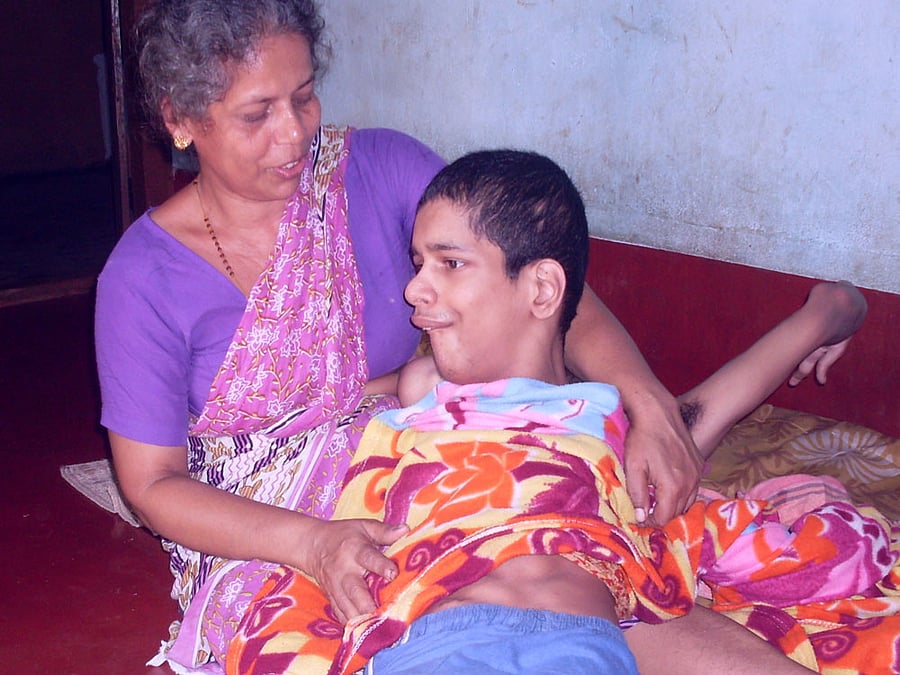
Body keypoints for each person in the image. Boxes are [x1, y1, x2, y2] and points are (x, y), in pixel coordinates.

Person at [94, 1, 710, 672]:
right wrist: (312, 544)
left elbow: (548, 282)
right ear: (180, 121)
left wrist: (648, 403)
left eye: (304, 97)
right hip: (264, 525)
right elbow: (152, 484)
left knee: (569, 558)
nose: (295, 134)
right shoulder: (143, 275)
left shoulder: (376, 169)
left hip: (414, 454)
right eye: (256, 114)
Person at [225, 150, 895, 675]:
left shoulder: (607, 422)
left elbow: (702, 415)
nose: (413, 289)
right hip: (434, 640)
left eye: (449, 263)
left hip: (577, 645)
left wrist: (828, 312)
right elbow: (318, 409)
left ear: (542, 287)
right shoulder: (423, 387)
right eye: (418, 262)